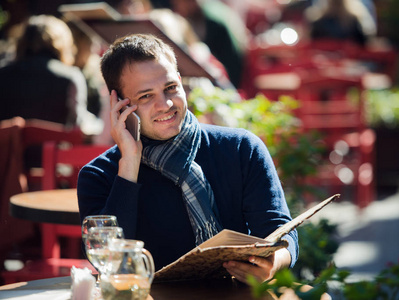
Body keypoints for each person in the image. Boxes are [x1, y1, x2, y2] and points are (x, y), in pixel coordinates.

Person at [77, 33, 298, 283]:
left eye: (171, 88)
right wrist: (129, 163)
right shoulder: (98, 175)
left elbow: (279, 230)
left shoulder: (241, 148)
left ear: (182, 83)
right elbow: (109, 262)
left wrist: (273, 263)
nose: (166, 104)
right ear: (119, 105)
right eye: (146, 96)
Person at [0, 14, 103, 136]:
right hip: (54, 153)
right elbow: (79, 125)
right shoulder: (71, 76)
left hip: (8, 152)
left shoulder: (3, 74)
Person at [305, 0, 376, 46]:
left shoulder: (354, 19)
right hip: (326, 61)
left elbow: (363, 43)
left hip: (348, 62)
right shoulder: (318, 21)